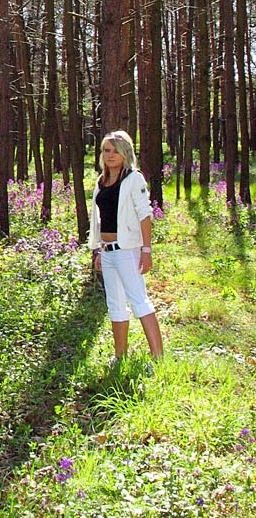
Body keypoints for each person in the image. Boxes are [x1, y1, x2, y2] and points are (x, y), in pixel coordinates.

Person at [89, 130, 163, 361]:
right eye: (106, 150)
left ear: (125, 153)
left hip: (128, 250)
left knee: (139, 300)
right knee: (115, 304)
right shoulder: (102, 181)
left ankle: (158, 357)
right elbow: (102, 219)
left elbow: (145, 215)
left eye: (115, 151)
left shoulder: (133, 179)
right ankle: (120, 356)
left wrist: (146, 251)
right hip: (109, 252)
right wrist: (100, 250)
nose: (110, 155)